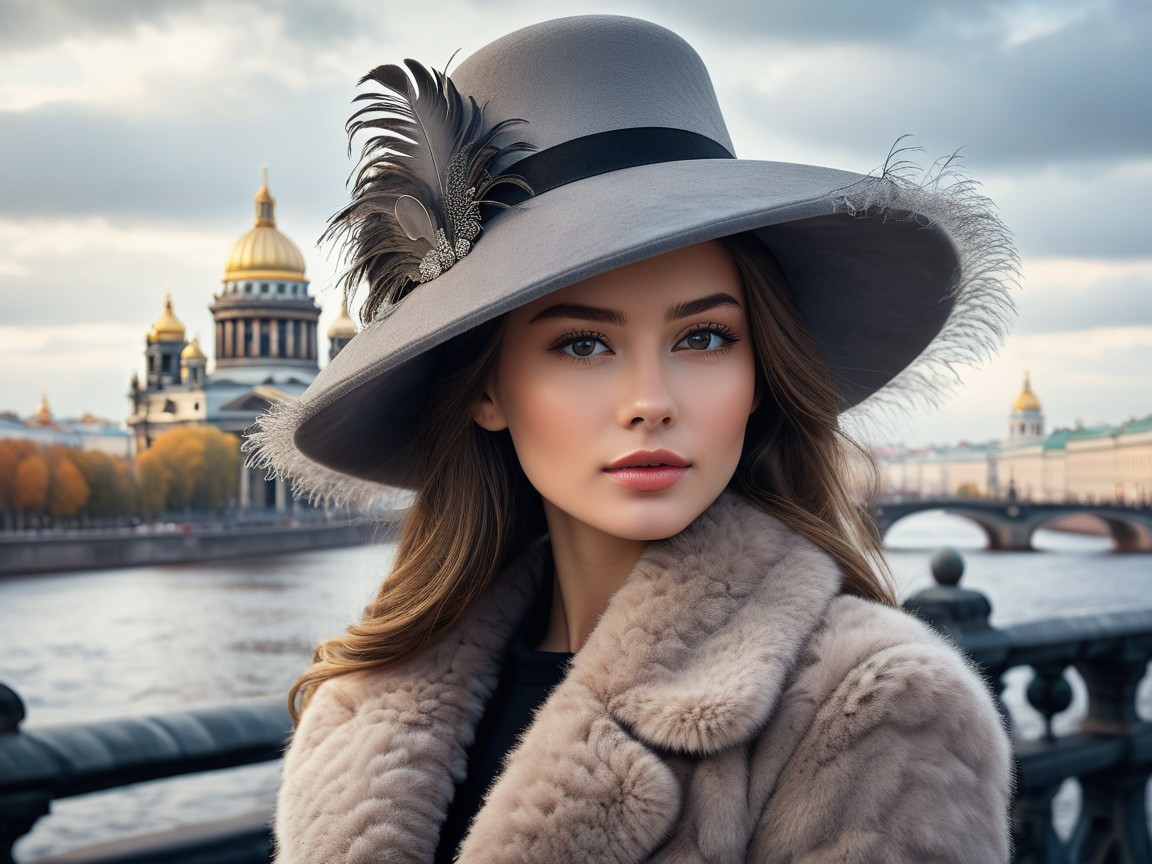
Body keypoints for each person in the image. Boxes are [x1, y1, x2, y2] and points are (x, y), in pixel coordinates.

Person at [249, 15, 1017, 863]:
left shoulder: (873, 710)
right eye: (582, 344)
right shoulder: (361, 703)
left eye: (704, 338)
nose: (650, 402)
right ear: (487, 391)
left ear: (761, 373)